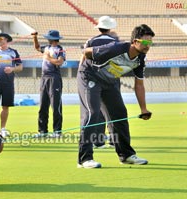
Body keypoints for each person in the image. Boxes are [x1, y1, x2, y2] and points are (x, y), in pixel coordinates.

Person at [77, 24, 155, 168]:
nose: (148, 45)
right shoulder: (116, 48)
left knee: (120, 114)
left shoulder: (140, 59)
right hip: (90, 77)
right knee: (92, 114)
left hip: (110, 82)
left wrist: (143, 109)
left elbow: (139, 85)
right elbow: (87, 52)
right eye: (145, 42)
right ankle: (84, 159)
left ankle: (126, 155)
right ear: (135, 41)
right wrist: (81, 71)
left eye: (150, 42)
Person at [78, 16, 118, 149]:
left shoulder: (90, 41)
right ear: (110, 28)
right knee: (112, 111)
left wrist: (80, 76)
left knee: (95, 111)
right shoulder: (116, 42)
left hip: (92, 79)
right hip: (110, 78)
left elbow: (83, 60)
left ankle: (98, 141)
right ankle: (114, 140)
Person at [0, 33, 23, 138]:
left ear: (6, 40)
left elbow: (20, 67)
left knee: (5, 106)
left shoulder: (13, 52)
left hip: (8, 82)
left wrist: (12, 69)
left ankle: (3, 129)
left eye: (1, 39)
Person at [31, 30, 66, 138]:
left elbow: (59, 62)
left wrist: (48, 58)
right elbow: (37, 48)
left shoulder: (60, 49)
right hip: (44, 77)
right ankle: (42, 131)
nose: (47, 39)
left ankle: (57, 131)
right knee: (43, 105)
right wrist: (35, 38)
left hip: (54, 77)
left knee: (56, 105)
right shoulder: (46, 48)